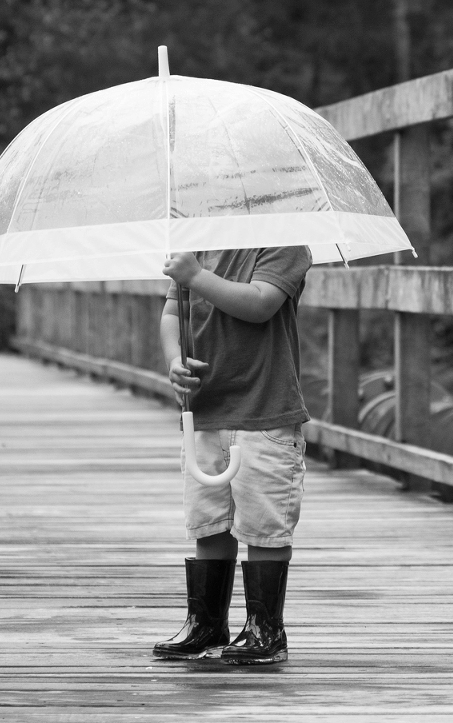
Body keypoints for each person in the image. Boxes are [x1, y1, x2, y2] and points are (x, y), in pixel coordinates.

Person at [154, 246, 311, 666]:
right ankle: (206, 622)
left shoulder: (285, 242)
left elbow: (260, 304)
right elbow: (173, 314)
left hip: (265, 409)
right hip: (205, 409)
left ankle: (265, 629)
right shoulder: (199, 243)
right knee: (210, 519)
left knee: (264, 521)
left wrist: (197, 276)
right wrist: (174, 360)